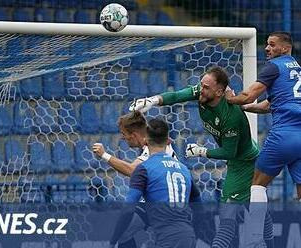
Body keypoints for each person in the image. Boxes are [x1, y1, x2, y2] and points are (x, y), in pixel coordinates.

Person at [130, 66, 274, 248]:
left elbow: (230, 152)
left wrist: (201, 151)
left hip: (243, 163)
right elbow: (177, 96)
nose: (201, 89)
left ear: (220, 92)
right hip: (240, 160)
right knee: (257, 213)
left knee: (227, 216)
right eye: (201, 85)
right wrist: (152, 101)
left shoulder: (231, 116)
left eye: (206, 87)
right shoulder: (203, 92)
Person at [225, 31, 301, 246]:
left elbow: (249, 94)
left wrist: (230, 99)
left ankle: (255, 240)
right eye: (267, 44)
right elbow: (270, 104)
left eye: (272, 45)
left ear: (285, 48)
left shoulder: (274, 67)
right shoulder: (297, 71)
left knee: (257, 184)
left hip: (283, 134)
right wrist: (248, 108)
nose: (267, 48)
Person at [92, 111, 201, 248]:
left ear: (135, 135)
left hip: (162, 201)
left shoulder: (156, 149)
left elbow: (132, 170)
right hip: (162, 206)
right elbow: (198, 202)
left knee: (126, 229)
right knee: (125, 232)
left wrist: (104, 155)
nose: (123, 138)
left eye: (124, 134)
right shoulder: (160, 148)